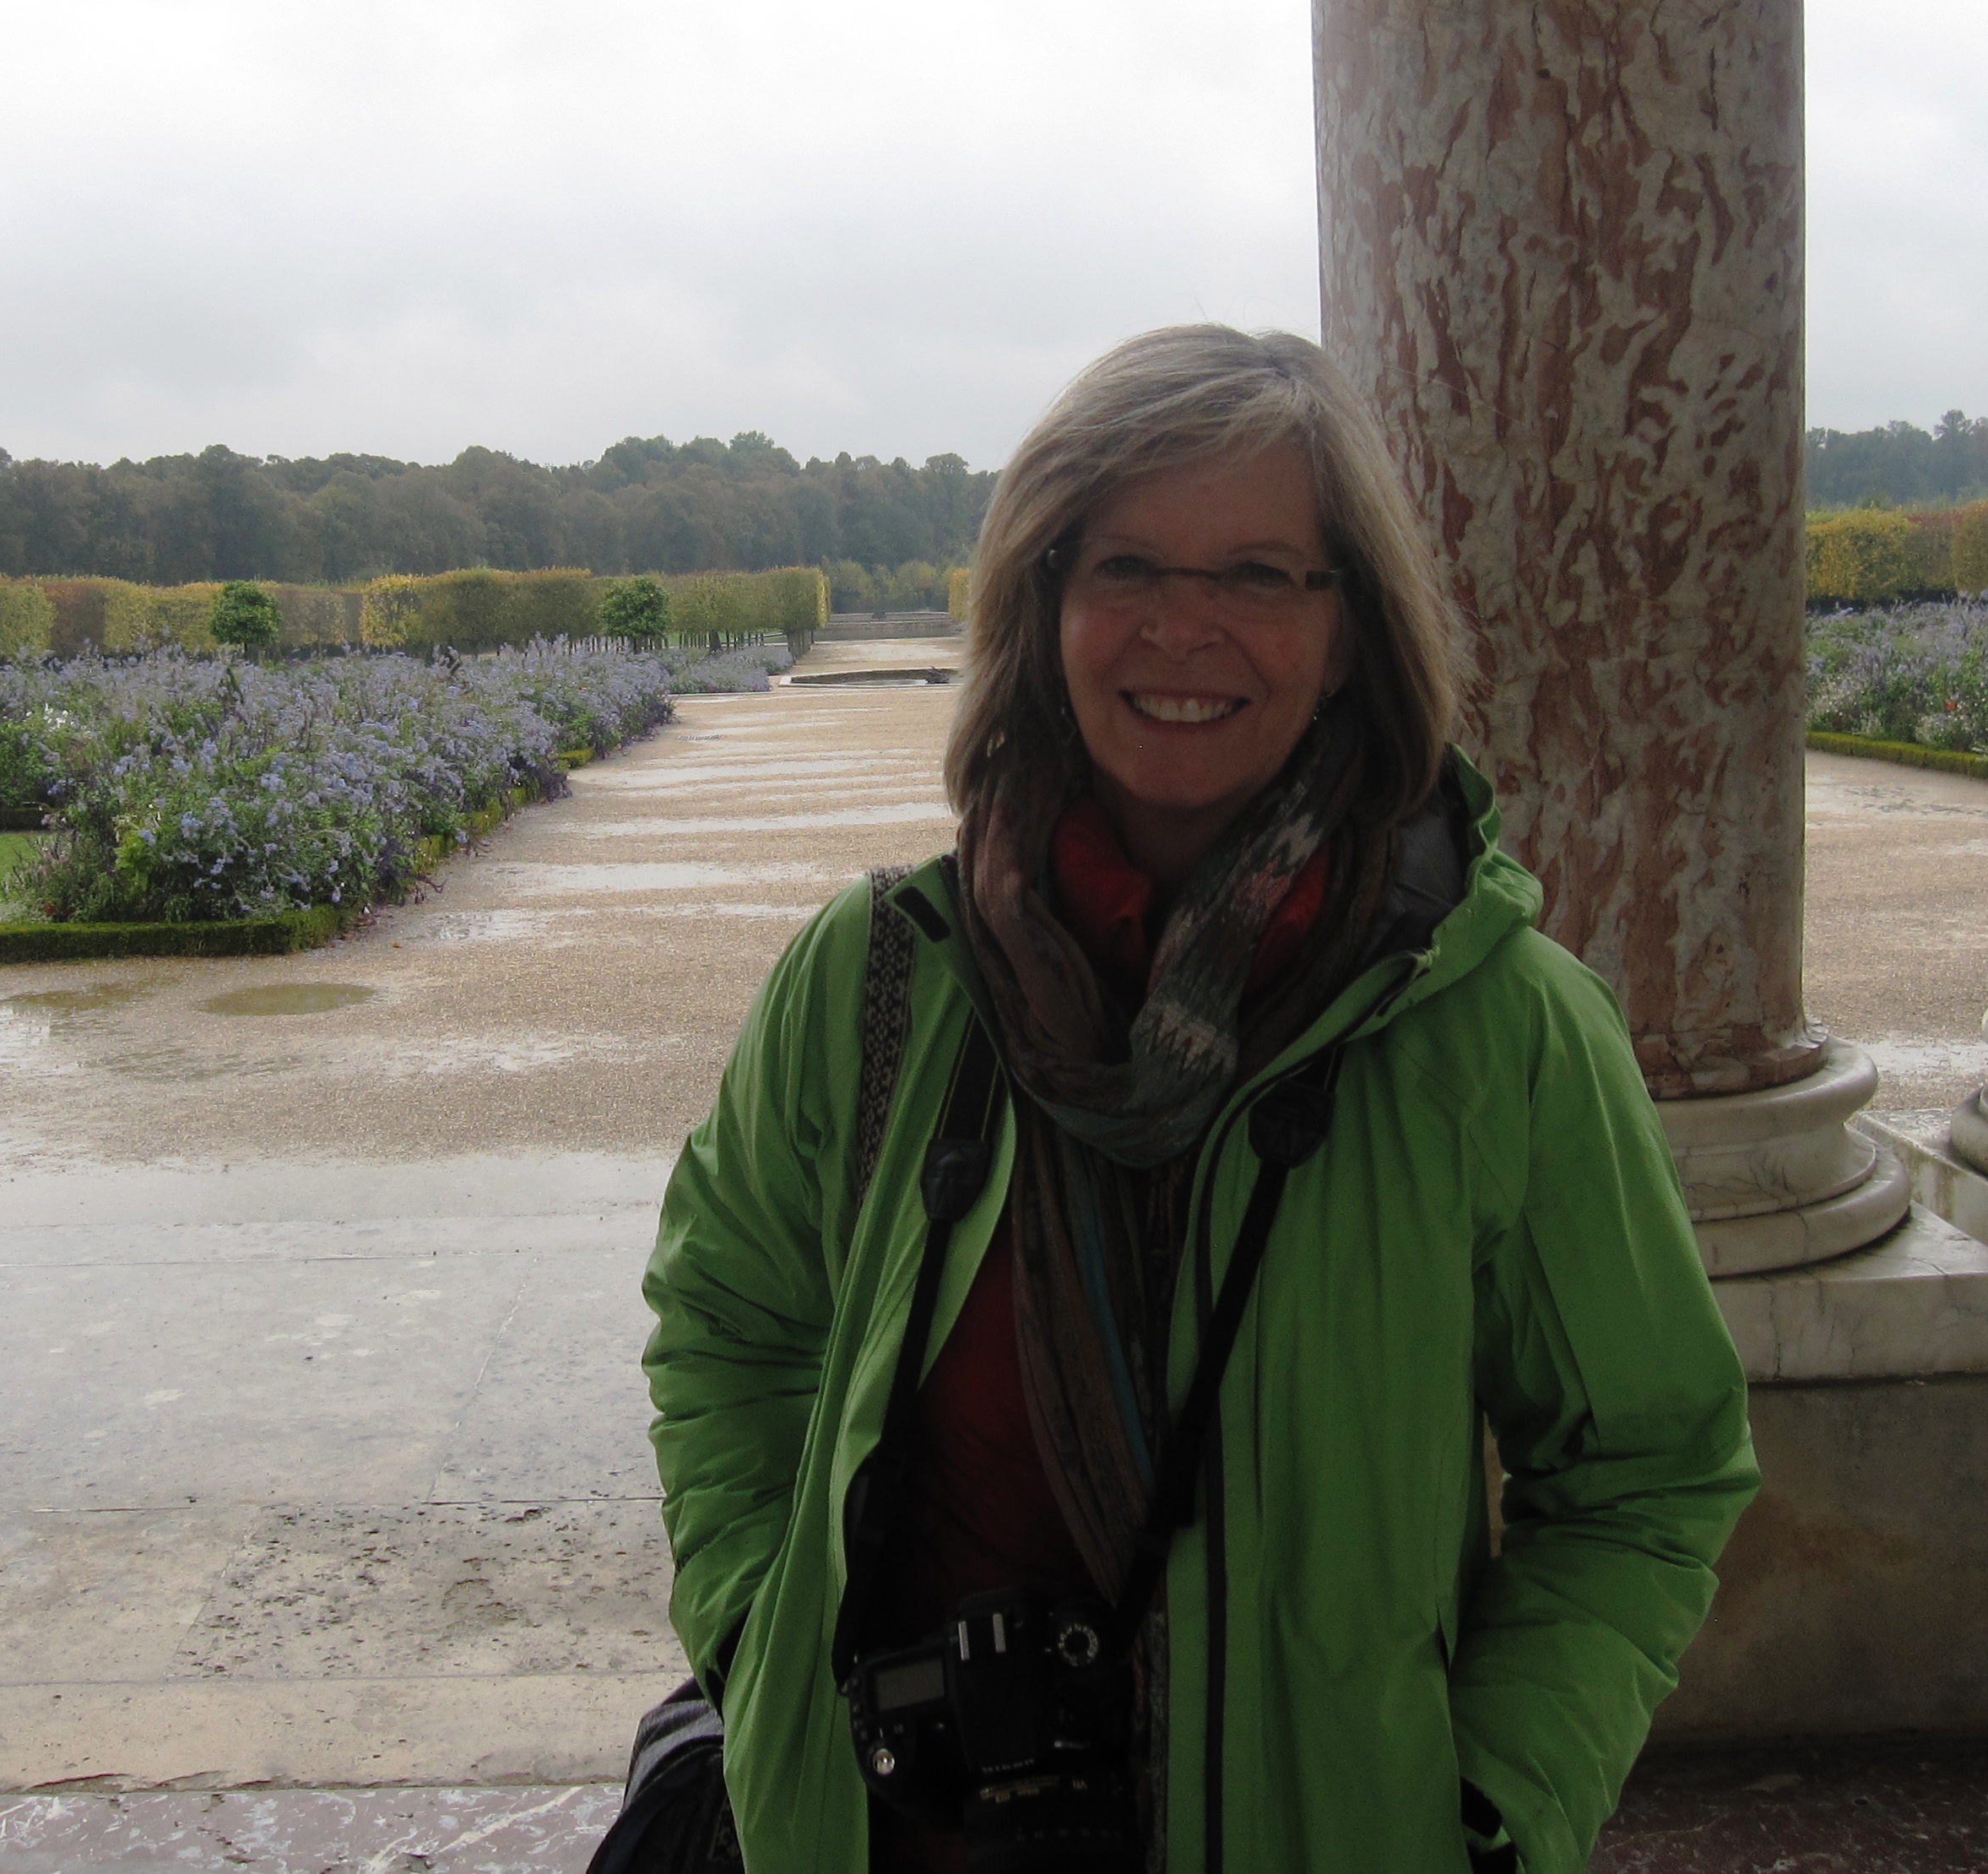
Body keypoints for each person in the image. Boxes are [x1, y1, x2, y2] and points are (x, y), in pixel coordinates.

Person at [640, 324, 1757, 1874]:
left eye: (1255, 574)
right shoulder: (872, 980)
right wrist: (762, 1641)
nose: (1182, 626)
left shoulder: (1495, 1028)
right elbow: (725, 1329)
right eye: (1124, 567)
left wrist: (1488, 1814)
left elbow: (1647, 1465)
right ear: (1045, 605)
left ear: (1349, 631)